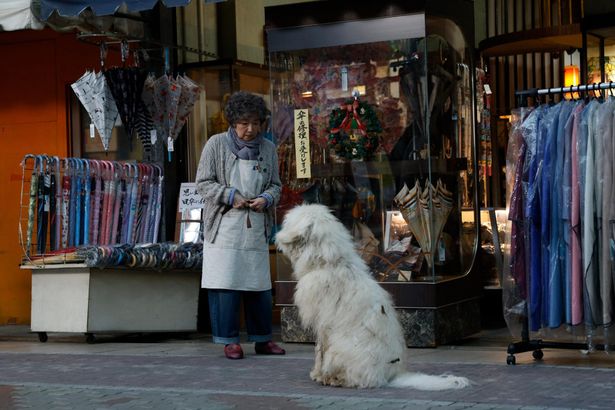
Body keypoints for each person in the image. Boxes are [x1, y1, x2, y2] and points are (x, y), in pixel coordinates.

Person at [195, 91, 285, 360]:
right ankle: (229, 340)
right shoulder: (216, 144)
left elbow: (276, 186)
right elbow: (203, 183)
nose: (250, 129)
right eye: (244, 123)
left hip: (255, 224)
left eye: (256, 123)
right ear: (233, 123)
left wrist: (267, 198)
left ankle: (262, 338)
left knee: (259, 285)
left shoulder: (268, 148)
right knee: (227, 284)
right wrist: (231, 196)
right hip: (224, 226)